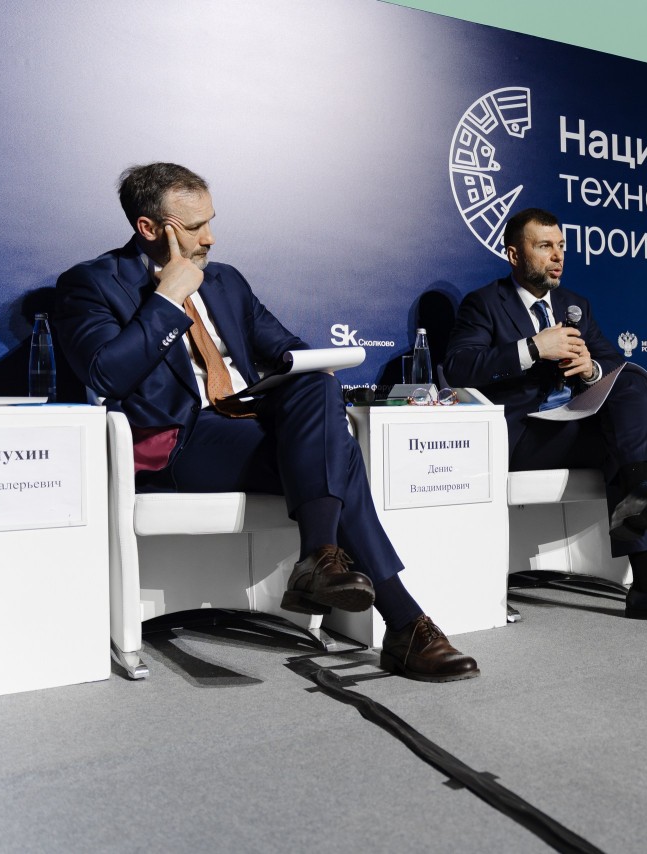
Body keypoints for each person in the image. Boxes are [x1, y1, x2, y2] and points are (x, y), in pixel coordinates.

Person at [55, 162, 477, 681]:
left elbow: (286, 349)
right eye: (195, 227)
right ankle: (400, 620)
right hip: (178, 440)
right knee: (339, 456)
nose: (210, 237)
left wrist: (308, 366)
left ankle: (322, 560)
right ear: (149, 228)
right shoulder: (91, 284)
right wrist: (167, 299)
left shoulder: (226, 281)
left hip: (248, 419)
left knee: (317, 385)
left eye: (211, 221)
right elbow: (106, 375)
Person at [443, 207, 647, 621]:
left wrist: (591, 369)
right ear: (514, 254)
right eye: (544, 246)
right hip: (523, 436)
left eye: (561, 246)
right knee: (620, 448)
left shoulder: (575, 304)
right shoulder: (485, 303)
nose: (557, 255)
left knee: (628, 383)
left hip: (573, 426)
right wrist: (534, 348)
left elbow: (613, 363)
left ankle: (639, 501)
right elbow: (458, 367)